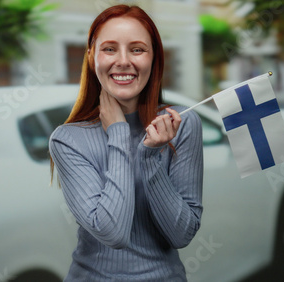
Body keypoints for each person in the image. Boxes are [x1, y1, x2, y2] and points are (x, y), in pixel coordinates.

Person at [49, 4, 203, 281]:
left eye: (137, 49)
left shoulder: (181, 124)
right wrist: (118, 131)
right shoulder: (67, 140)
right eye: (109, 49)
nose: (123, 61)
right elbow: (113, 232)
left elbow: (182, 234)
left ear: (154, 57)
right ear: (91, 56)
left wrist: (150, 157)